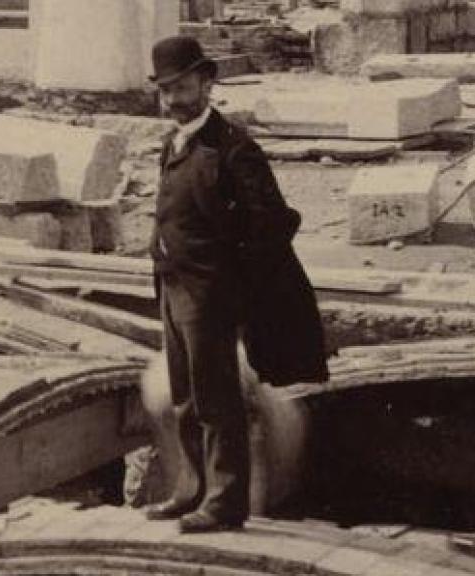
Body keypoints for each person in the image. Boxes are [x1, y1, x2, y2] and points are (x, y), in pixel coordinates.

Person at [145, 35, 330, 534]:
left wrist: (234, 285)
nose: (172, 99)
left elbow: (270, 224)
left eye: (181, 87)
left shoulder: (234, 149)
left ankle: (225, 502)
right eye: (164, 90)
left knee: (215, 397)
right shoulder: (173, 142)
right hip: (172, 286)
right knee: (183, 396)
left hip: (209, 295)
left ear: (207, 83)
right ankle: (190, 489)